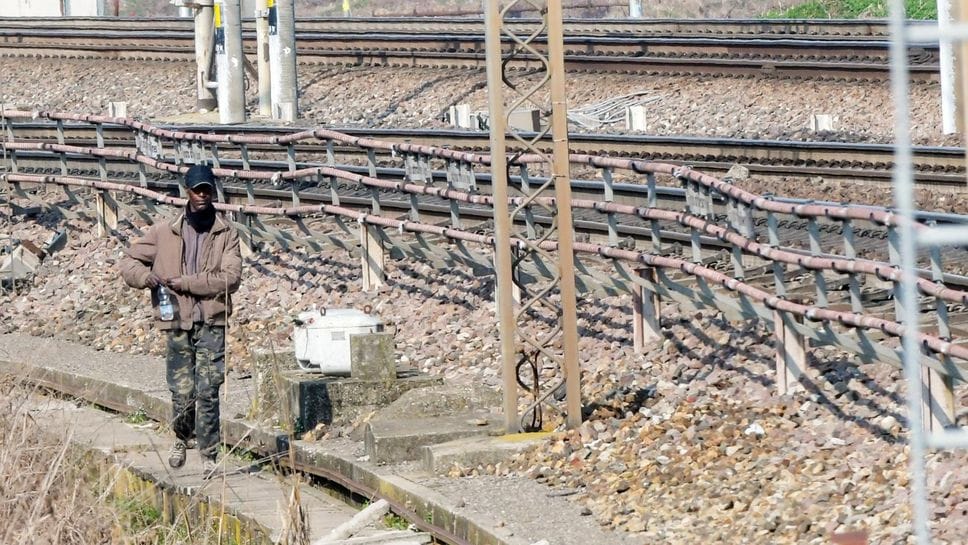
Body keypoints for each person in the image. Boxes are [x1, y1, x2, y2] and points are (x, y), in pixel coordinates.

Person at [120, 164, 242, 474]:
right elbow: (129, 262)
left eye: (207, 190)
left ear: (214, 192)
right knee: (182, 390)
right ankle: (181, 436)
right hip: (175, 320)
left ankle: (210, 455)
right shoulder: (164, 232)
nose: (202, 195)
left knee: (209, 389)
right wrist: (145, 277)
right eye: (197, 189)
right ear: (185, 192)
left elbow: (230, 278)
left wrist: (187, 282)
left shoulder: (226, 232)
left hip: (212, 321)